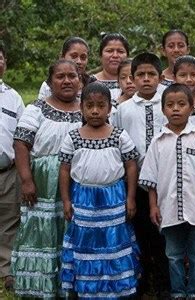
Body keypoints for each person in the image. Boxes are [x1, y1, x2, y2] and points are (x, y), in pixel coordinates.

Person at [139, 83, 195, 299]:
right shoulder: (157, 142)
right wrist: (153, 205)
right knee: (173, 254)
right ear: (163, 109)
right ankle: (177, 292)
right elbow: (150, 180)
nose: (176, 109)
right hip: (168, 208)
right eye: (170, 105)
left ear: (191, 107)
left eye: (181, 104)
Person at [58, 82, 140, 298]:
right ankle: (88, 289)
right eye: (90, 106)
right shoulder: (73, 137)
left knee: (113, 244)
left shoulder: (119, 135)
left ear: (109, 108)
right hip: (83, 198)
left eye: (101, 106)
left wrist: (131, 197)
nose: (95, 111)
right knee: (85, 241)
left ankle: (116, 289)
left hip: (113, 197)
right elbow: (65, 170)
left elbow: (131, 165)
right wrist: (66, 200)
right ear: (81, 108)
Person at [11, 59, 82, 298]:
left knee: (71, 230)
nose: (66, 81)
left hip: (76, 181)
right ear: (50, 82)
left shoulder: (88, 107)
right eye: (60, 76)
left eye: (71, 76)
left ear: (79, 80)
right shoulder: (37, 109)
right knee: (44, 233)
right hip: (43, 181)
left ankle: (71, 288)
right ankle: (41, 289)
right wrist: (27, 180)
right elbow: (21, 144)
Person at [114, 52, 170, 298]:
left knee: (163, 234)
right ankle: (141, 279)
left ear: (160, 77)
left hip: (166, 180)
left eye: (151, 74)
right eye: (140, 75)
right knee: (140, 232)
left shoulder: (169, 103)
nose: (146, 79)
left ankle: (164, 283)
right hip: (135, 181)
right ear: (132, 79)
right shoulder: (123, 109)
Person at [0, 43, 24, 292]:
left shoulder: (13, 96)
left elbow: (21, 133)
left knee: (8, 220)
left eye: (0, 58)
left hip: (6, 171)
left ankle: (7, 270)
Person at [94, 33, 129, 104]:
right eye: (109, 51)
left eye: (120, 51)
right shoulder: (89, 82)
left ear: (127, 56)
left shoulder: (137, 83)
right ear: (100, 56)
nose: (115, 55)